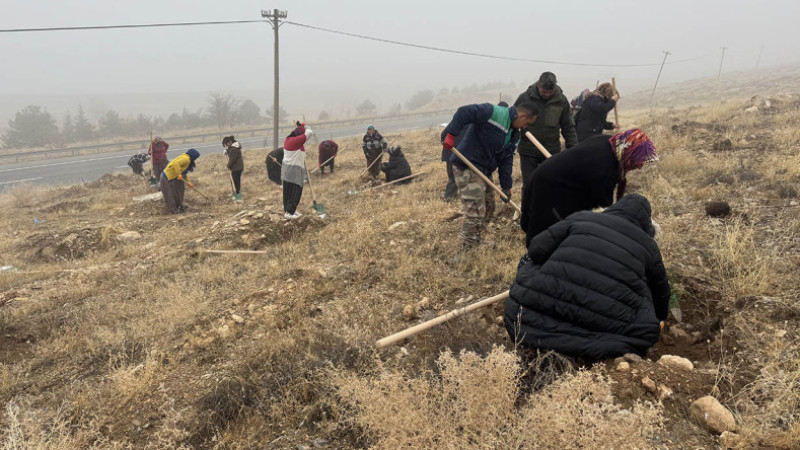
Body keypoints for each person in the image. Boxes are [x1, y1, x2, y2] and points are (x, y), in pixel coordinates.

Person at [504, 194, 671, 362]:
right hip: (601, 332)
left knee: (529, 263)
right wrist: (660, 317)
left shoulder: (581, 218)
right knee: (647, 313)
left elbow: (536, 249)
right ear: (646, 224)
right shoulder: (648, 245)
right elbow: (661, 292)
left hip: (528, 323)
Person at [520, 129, 658, 248]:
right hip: (551, 187)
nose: (640, 166)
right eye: (638, 160)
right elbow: (603, 216)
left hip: (551, 175)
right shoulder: (604, 171)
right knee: (546, 236)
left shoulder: (610, 142)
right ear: (629, 152)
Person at [442, 101, 538, 259]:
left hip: (484, 170)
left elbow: (506, 161)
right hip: (468, 165)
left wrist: (506, 187)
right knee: (475, 212)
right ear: (521, 116)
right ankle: (465, 253)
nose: (525, 127)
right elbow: (464, 111)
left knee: (489, 207)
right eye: (526, 123)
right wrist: (451, 134)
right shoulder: (493, 113)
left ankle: (475, 240)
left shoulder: (514, 134)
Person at [513, 72, 578, 199]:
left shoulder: (561, 101)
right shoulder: (525, 98)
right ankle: (527, 213)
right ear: (538, 85)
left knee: (551, 183)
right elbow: (513, 120)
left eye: (550, 91)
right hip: (528, 150)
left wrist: (573, 150)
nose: (547, 94)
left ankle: (549, 213)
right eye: (544, 91)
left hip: (551, 150)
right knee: (529, 184)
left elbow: (568, 127)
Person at [282, 122, 313, 219]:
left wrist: (300, 126)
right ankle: (289, 212)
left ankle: (290, 210)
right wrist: (306, 126)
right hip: (294, 169)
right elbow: (310, 132)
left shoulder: (289, 139)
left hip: (287, 169)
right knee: (296, 191)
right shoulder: (296, 141)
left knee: (288, 191)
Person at [160, 149, 200, 214]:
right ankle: (174, 210)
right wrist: (179, 174)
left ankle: (180, 205)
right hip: (167, 178)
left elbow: (184, 173)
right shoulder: (186, 159)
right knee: (171, 194)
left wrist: (189, 182)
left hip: (174, 177)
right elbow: (175, 164)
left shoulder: (187, 159)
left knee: (180, 190)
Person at [223, 135, 244, 202]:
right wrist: (227, 151)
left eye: (226, 144)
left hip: (237, 168)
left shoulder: (234, 149)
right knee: (235, 180)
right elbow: (230, 151)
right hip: (237, 167)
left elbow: (232, 159)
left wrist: (228, 165)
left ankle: (238, 196)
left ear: (229, 142)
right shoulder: (233, 147)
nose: (226, 145)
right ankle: (236, 194)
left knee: (236, 181)